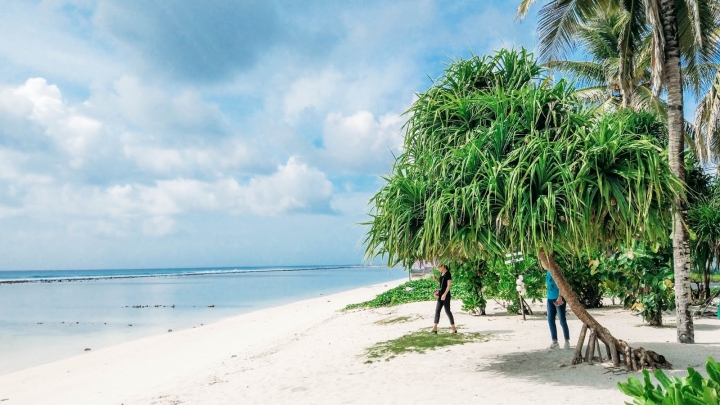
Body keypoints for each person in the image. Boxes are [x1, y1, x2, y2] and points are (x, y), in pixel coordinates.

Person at [546, 270, 570, 349]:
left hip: (558, 298)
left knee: (562, 320)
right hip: (550, 298)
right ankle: (554, 342)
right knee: (550, 320)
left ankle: (567, 341)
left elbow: (561, 285)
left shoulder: (556, 270)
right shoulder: (547, 271)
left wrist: (560, 296)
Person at [431, 264, 457, 334]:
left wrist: (445, 294)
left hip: (446, 295)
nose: (438, 268)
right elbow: (442, 284)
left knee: (447, 311)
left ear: (443, 266)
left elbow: (448, 286)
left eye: (439, 267)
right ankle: (435, 328)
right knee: (437, 310)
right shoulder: (441, 273)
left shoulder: (448, 274)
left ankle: (453, 328)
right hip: (440, 295)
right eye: (437, 267)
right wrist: (437, 279)